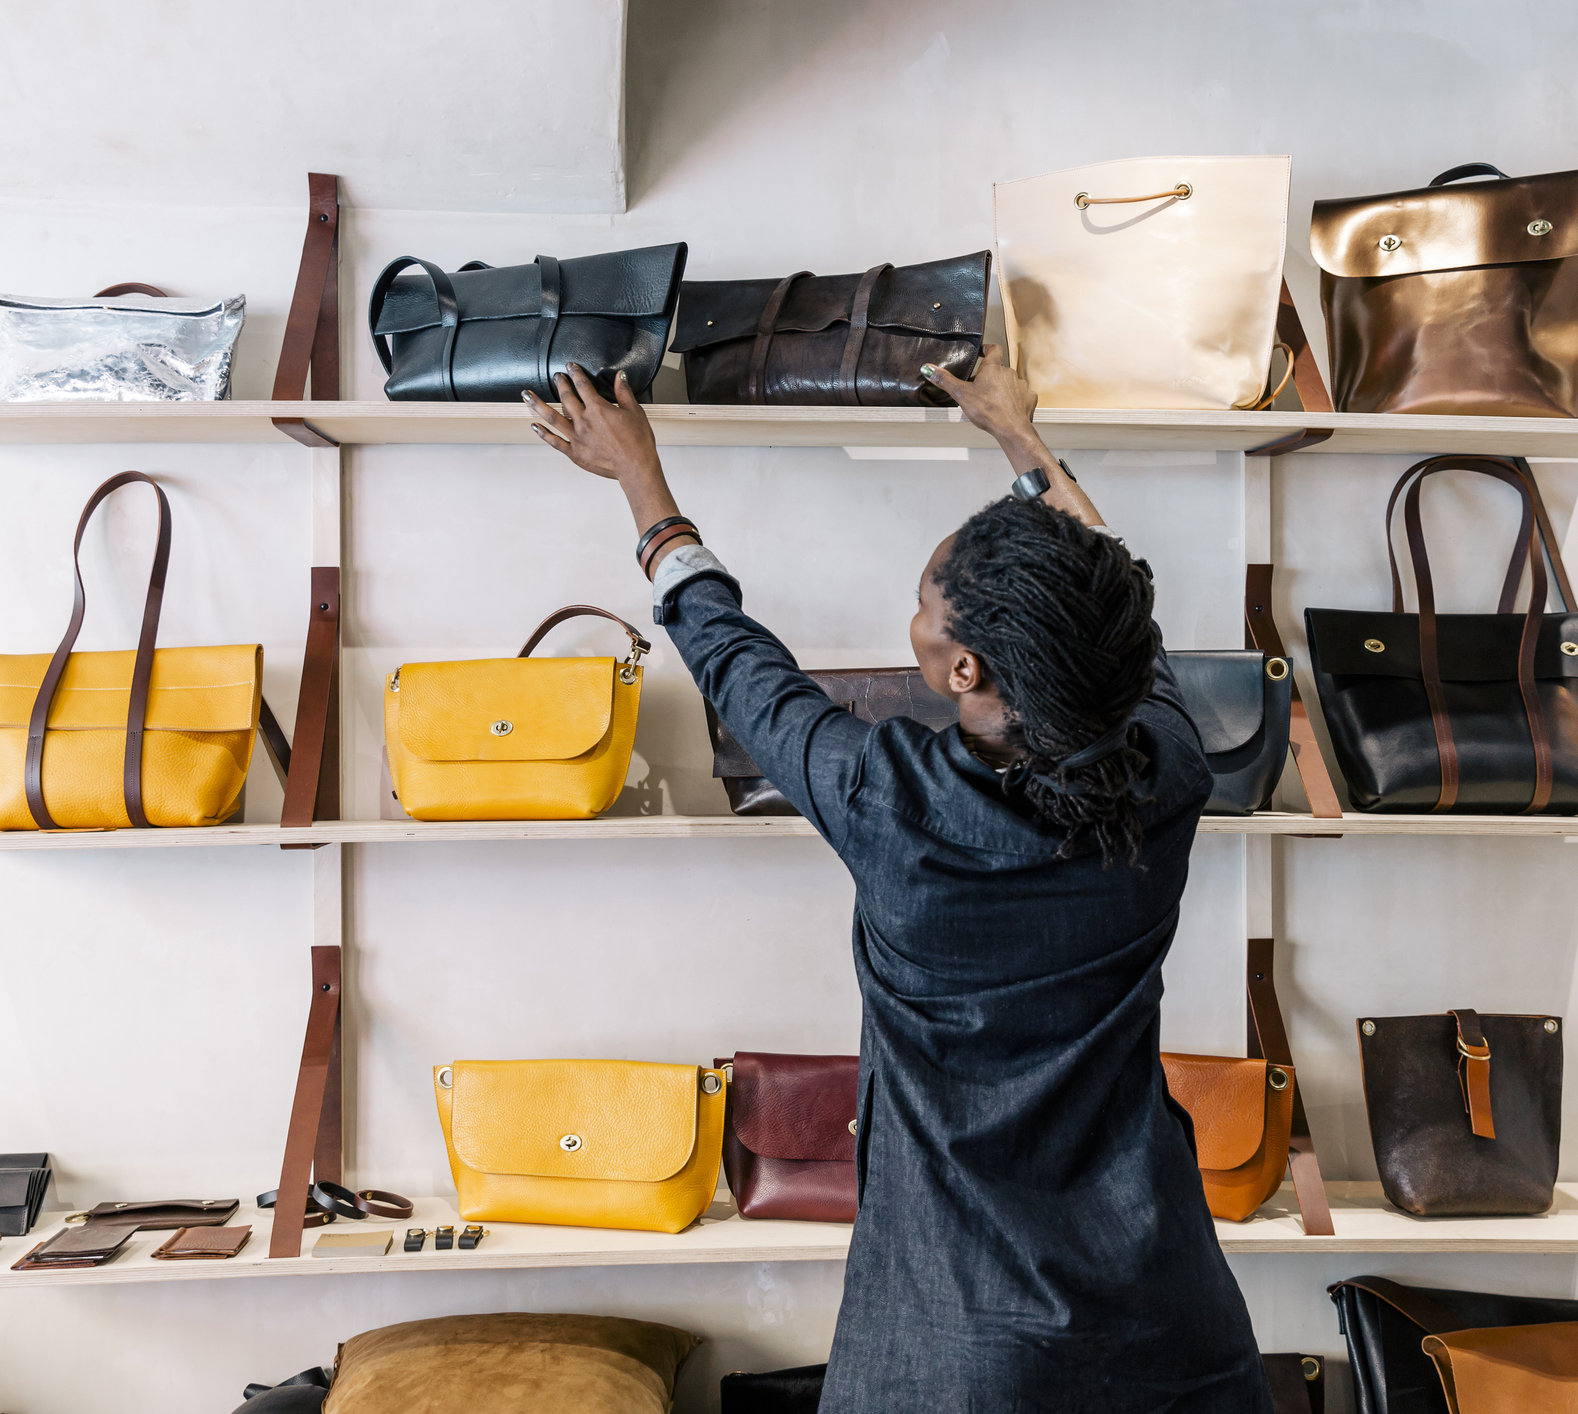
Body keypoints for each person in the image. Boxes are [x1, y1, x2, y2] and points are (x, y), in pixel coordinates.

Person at [525, 348, 1269, 1414]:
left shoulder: (889, 801)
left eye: (924, 604)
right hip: (1167, 1320)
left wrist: (645, 486)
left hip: (957, 1344)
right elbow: (1114, 607)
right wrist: (1021, 435)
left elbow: (742, 668)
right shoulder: (1168, 768)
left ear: (960, 671)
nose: (914, 616)